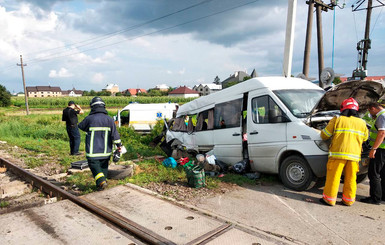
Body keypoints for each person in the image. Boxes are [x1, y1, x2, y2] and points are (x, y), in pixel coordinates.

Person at [320, 98, 368, 206]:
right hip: (354, 156)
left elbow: (325, 135)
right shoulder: (362, 123)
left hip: (338, 154)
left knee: (334, 177)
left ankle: (329, 199)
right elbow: (365, 138)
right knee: (351, 178)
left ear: (343, 108)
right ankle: (348, 200)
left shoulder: (337, 119)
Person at [78, 97, 122, 190]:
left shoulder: (89, 118)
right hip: (106, 152)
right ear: (103, 106)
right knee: (103, 168)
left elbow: (81, 126)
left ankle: (101, 181)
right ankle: (101, 185)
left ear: (92, 107)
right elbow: (115, 135)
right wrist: (119, 146)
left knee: (95, 168)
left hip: (93, 152)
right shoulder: (109, 119)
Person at [360, 102, 385, 205]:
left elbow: (382, 133)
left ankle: (375, 198)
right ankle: (382, 196)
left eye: (370, 110)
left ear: (373, 108)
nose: (370, 113)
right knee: (383, 173)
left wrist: (374, 148)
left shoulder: (381, 116)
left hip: (380, 149)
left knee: (374, 173)